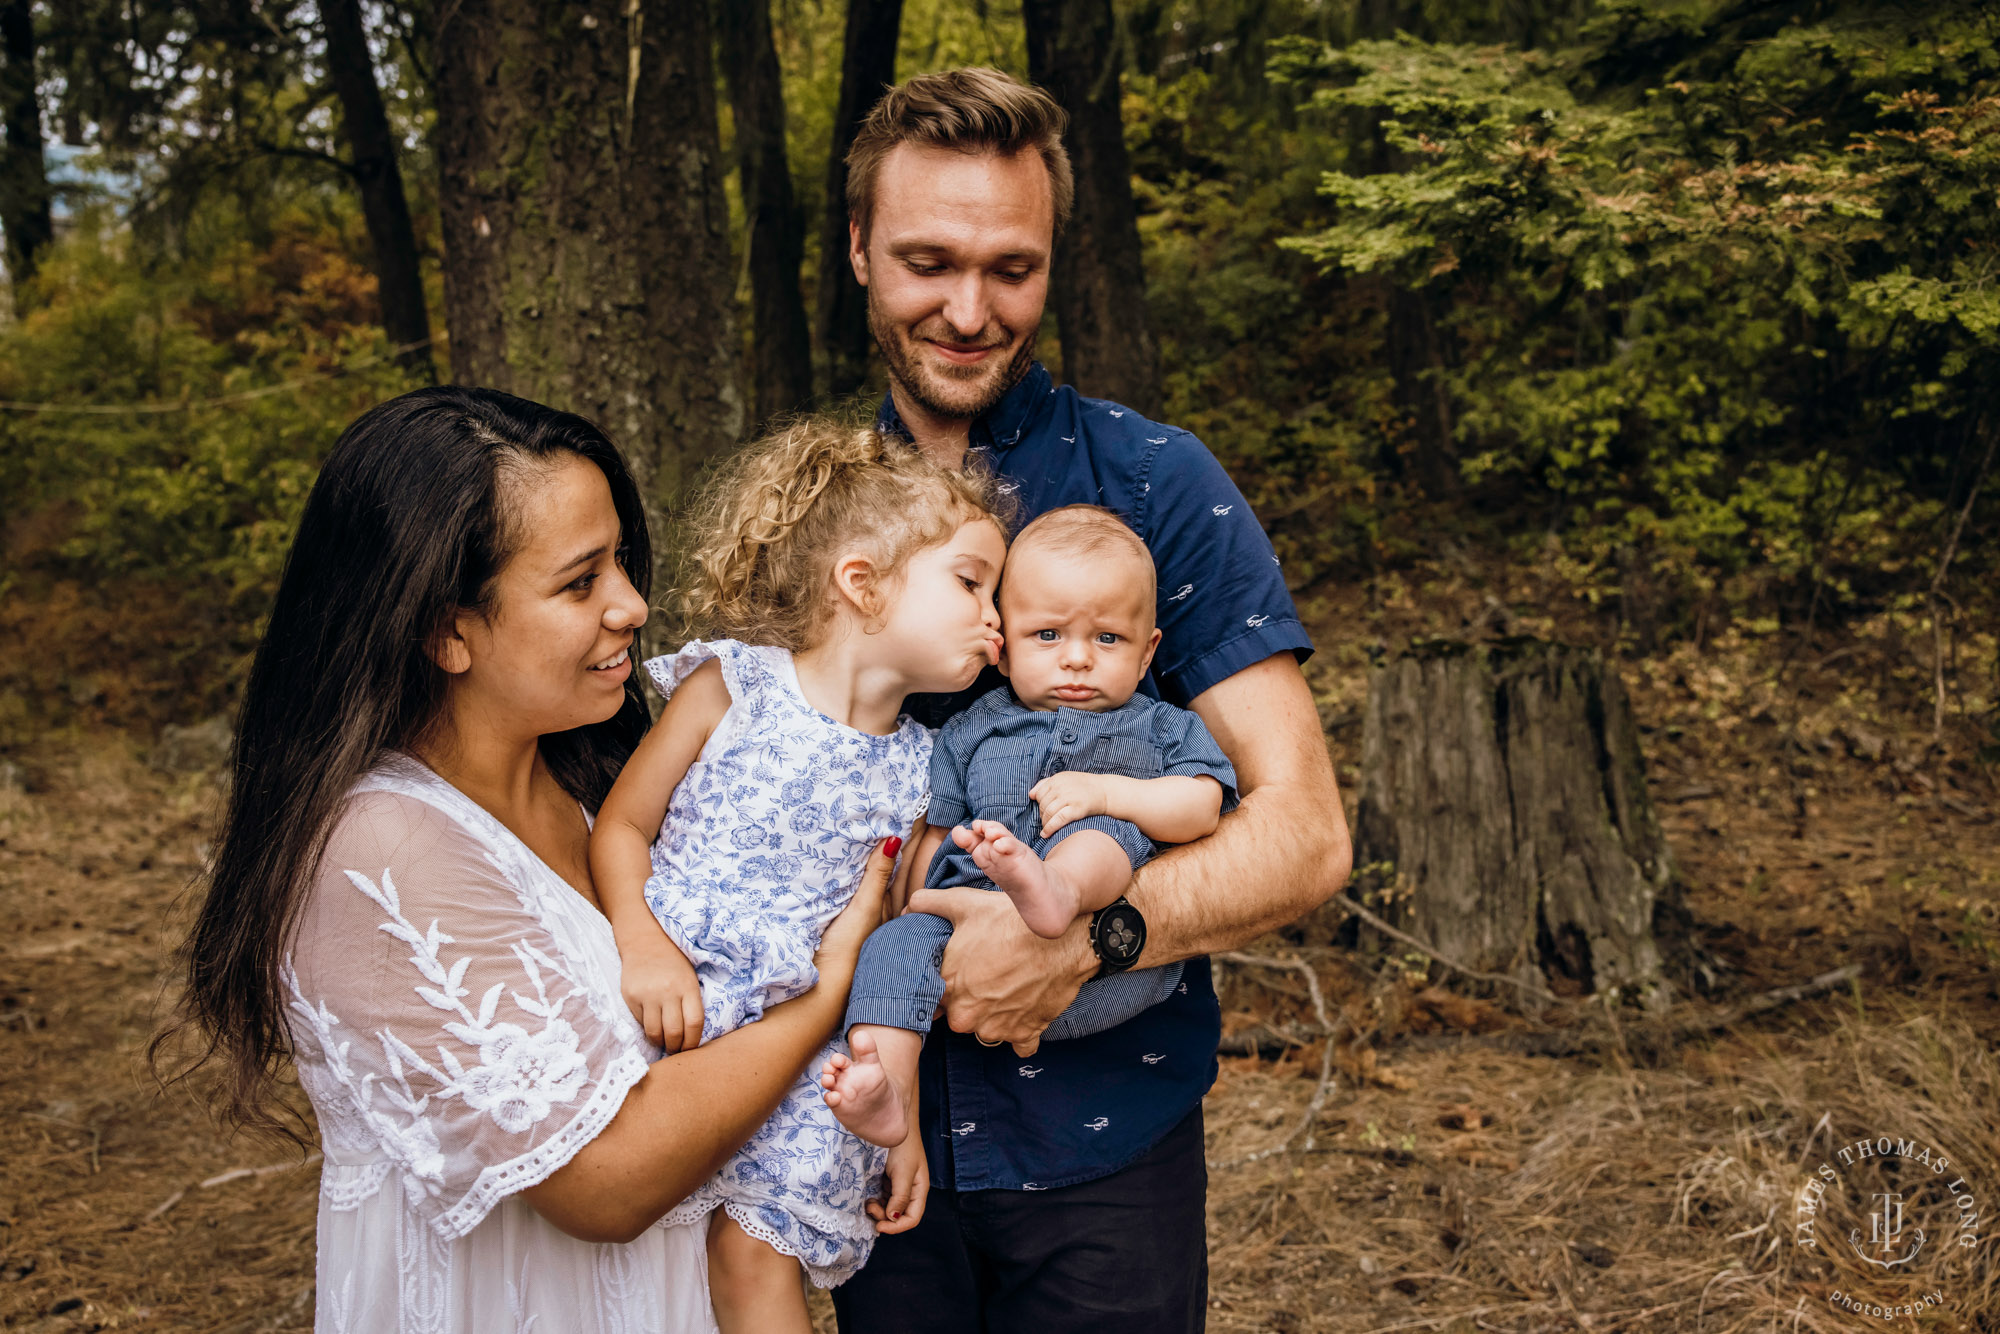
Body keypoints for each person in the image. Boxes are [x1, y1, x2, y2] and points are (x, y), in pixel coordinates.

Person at [160, 386, 898, 1333]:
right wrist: (831, 989)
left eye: (622, 563)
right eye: (579, 582)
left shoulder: (602, 786)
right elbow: (603, 1180)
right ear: (446, 629)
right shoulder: (379, 852)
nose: (632, 605)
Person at [826, 69, 1354, 1333]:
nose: (967, 308)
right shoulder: (811, 513)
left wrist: (1086, 938)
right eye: (925, 260)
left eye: (1011, 267)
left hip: (1108, 1147)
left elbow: (1304, 832)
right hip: (871, 1156)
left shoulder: (1158, 483)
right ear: (856, 251)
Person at [586, 420, 1006, 1332]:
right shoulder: (732, 687)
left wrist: (899, 1112)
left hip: (817, 1064)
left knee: (750, 1260)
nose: (996, 620)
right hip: (675, 1011)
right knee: (646, 1261)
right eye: (972, 584)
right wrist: (639, 941)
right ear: (861, 582)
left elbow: (902, 955)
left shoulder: (925, 771)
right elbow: (623, 825)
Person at [821, 504, 1239, 1150]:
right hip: (975, 945)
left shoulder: (1161, 726)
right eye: (1047, 636)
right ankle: (888, 1089)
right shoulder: (972, 728)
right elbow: (940, 829)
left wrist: (1109, 792)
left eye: (1107, 640)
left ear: (1147, 648)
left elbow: (1203, 807)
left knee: (1096, 839)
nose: (1076, 660)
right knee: (890, 949)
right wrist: (916, 912)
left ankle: (1053, 890)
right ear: (1005, 645)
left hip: (1107, 975)